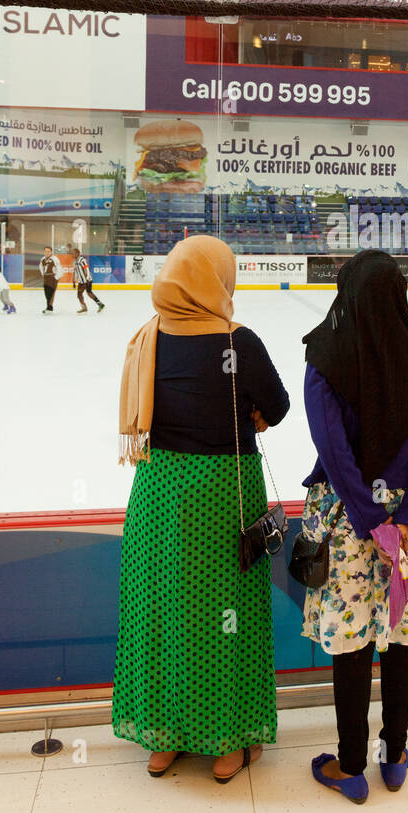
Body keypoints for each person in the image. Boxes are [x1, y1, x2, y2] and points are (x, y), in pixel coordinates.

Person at [112, 235, 289, 783]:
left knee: (162, 613)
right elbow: (277, 407)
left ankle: (162, 740)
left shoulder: (148, 338)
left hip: (159, 493)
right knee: (226, 616)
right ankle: (227, 744)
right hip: (221, 496)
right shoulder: (240, 341)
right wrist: (251, 412)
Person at [300, 250, 408, 804]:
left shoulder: (324, 355)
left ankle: (351, 766)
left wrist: (369, 520)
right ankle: (395, 755)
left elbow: (332, 447)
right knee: (401, 628)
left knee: (354, 640)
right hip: (406, 523)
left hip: (350, 520)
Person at [73, 248, 105, 314]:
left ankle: (99, 304)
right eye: (72, 253)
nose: (73, 254)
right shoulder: (75, 262)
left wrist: (87, 279)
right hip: (81, 281)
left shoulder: (82, 260)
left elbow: (86, 269)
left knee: (89, 292)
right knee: (79, 295)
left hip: (87, 280)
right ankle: (84, 308)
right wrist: (74, 280)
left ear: (78, 253)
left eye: (74, 253)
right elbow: (75, 271)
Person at [39, 245, 61, 314]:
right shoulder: (43, 259)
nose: (47, 253)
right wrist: (43, 275)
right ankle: (48, 307)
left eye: (48, 251)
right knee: (46, 292)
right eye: (45, 251)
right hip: (46, 278)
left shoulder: (55, 259)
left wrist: (56, 277)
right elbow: (40, 267)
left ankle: (49, 308)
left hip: (52, 277)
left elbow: (59, 269)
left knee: (51, 293)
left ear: (51, 252)